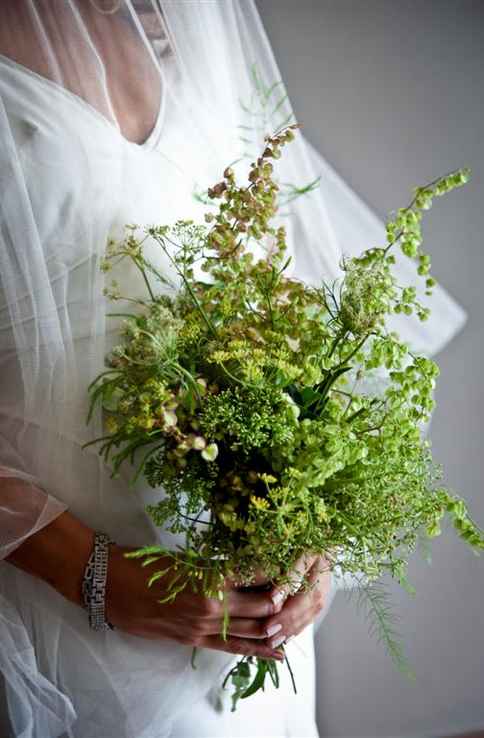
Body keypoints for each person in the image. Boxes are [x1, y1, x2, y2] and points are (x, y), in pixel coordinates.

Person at [0, 2, 466, 737]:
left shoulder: (189, 23)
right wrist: (101, 581)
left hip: (245, 619)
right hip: (59, 613)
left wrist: (310, 537)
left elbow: (284, 308)